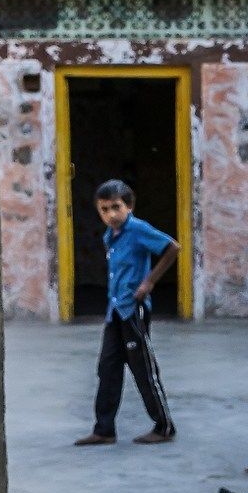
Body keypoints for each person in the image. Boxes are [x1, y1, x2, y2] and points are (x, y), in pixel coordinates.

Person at [76, 178, 180, 446]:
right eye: (104, 209)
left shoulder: (137, 229)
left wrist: (149, 282)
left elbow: (172, 247)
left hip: (133, 311)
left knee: (144, 370)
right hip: (116, 311)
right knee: (107, 369)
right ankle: (104, 430)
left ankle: (164, 426)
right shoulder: (110, 236)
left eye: (116, 207)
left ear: (129, 206)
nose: (111, 214)